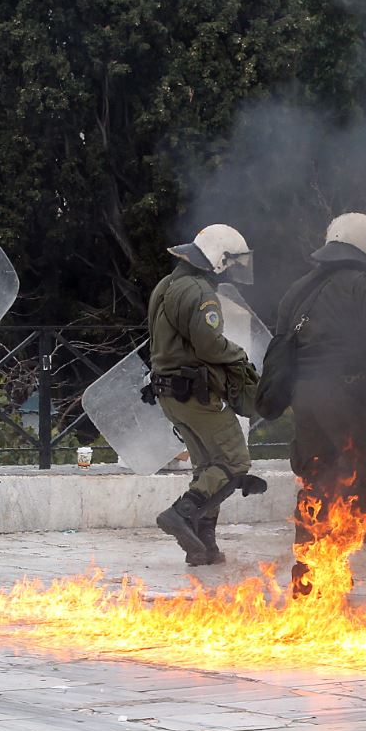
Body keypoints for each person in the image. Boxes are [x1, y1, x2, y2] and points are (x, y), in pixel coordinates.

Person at [275, 213, 366, 597]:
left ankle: (308, 574)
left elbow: (282, 342)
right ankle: (337, 551)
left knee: (317, 478)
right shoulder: (364, 289)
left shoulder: (298, 290)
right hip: (344, 397)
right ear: (365, 244)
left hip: (304, 398)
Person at [145, 224, 264, 567]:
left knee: (208, 466)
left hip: (170, 392)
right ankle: (180, 515)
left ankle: (202, 544)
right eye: (232, 262)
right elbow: (210, 345)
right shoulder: (201, 294)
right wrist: (238, 354)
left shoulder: (167, 285)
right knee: (233, 461)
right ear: (219, 260)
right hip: (196, 393)